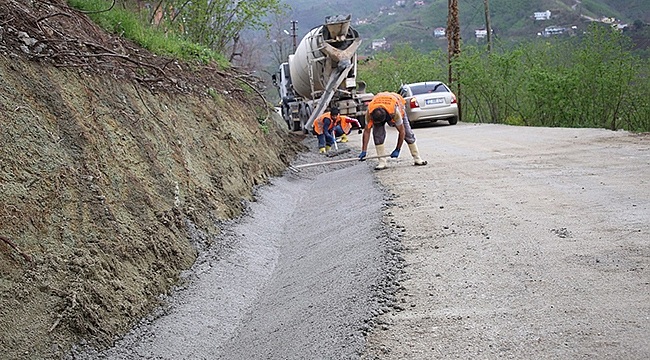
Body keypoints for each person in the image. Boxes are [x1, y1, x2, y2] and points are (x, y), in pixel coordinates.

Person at [358, 92, 428, 170]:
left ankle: (417, 158)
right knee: (378, 136)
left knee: (408, 134)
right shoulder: (370, 112)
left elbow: (402, 132)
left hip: (396, 102)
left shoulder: (395, 112)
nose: (375, 124)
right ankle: (382, 162)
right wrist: (364, 150)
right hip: (380, 103)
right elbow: (367, 131)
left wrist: (398, 149)